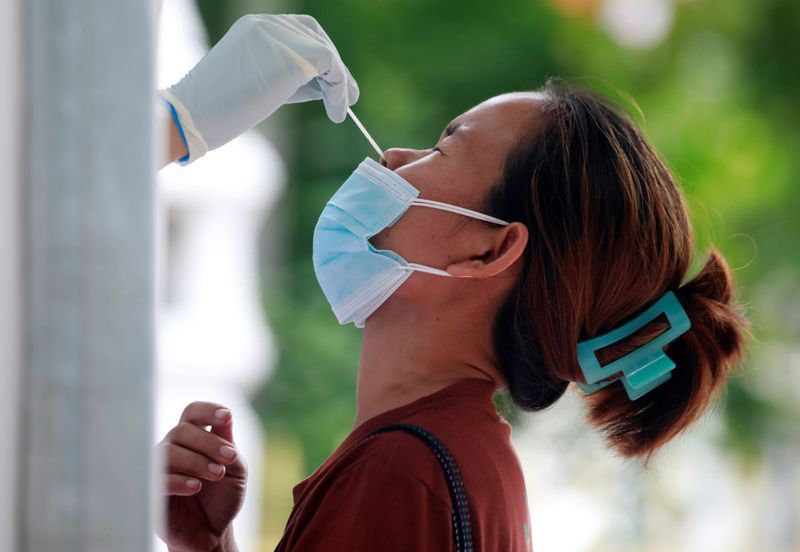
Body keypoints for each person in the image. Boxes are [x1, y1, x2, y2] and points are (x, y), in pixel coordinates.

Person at [155, 13, 748, 552]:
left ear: (488, 249)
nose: (392, 157)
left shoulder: (401, 473)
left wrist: (167, 126)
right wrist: (209, 547)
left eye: (443, 148)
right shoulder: (455, 461)